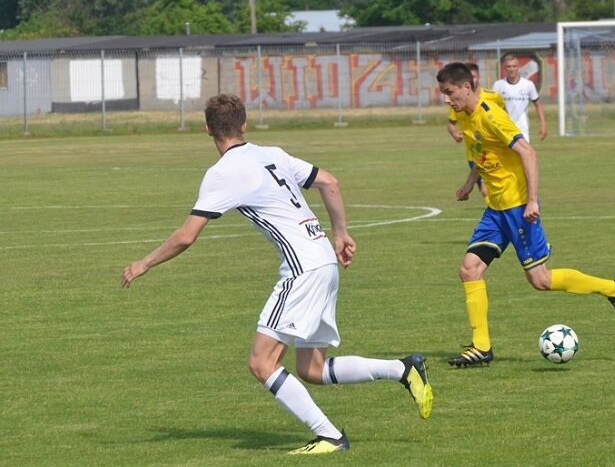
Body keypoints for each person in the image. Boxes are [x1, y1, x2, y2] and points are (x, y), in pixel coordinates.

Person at [120, 94, 433, 454]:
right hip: (323, 261)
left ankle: (330, 436)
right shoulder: (273, 153)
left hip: (302, 269)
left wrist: (144, 263)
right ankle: (403, 368)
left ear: (207, 129)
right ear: (245, 125)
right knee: (312, 369)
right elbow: (329, 182)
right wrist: (342, 233)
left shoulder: (222, 173)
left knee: (261, 362)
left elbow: (187, 235)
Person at [436, 62, 615, 368]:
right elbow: (480, 152)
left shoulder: (491, 115)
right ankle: (481, 347)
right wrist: (469, 184)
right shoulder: (463, 114)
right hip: (496, 210)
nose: (446, 100)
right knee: (469, 269)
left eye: (449, 93)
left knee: (540, 280)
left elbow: (529, 153)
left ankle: (614, 289)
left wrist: (533, 201)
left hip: (517, 207)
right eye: (442, 94)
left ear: (465, 87)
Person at [446, 62, 504, 199]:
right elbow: (451, 124)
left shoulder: (492, 97)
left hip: (491, 152)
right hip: (473, 154)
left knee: (486, 189)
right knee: (486, 191)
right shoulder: (457, 103)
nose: (472, 80)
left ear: (479, 77)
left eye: (474, 76)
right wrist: (454, 133)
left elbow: (504, 117)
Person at [492, 53, 548, 143]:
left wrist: (543, 124)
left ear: (518, 67)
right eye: (508, 66)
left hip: (522, 130)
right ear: (504, 68)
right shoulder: (498, 85)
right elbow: (492, 107)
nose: (511, 69)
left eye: (514, 66)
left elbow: (538, 104)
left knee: (525, 155)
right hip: (504, 129)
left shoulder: (528, 85)